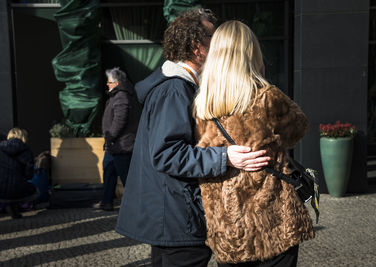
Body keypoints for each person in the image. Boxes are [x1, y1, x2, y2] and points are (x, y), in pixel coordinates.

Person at [116, 9, 270, 267]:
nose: (221, 45)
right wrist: (226, 157)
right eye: (215, 39)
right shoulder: (175, 90)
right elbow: (167, 154)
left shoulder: (175, 86)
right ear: (198, 48)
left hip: (172, 214)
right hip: (177, 218)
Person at [193, 21, 315, 267]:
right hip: (275, 222)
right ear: (251, 54)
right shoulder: (267, 97)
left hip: (228, 226)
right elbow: (299, 128)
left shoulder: (203, 104)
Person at [95, 67, 138, 211]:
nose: (107, 84)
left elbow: (120, 120)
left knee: (126, 177)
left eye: (109, 82)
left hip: (121, 145)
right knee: (109, 172)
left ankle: (135, 206)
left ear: (117, 82)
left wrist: (110, 136)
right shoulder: (119, 95)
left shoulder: (121, 96)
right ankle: (106, 202)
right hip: (115, 145)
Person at [0, 127, 38, 219]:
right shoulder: (27, 151)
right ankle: (17, 208)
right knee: (35, 191)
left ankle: (11, 207)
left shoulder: (1, 148)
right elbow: (29, 175)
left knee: (8, 186)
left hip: (0, 187)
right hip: (17, 188)